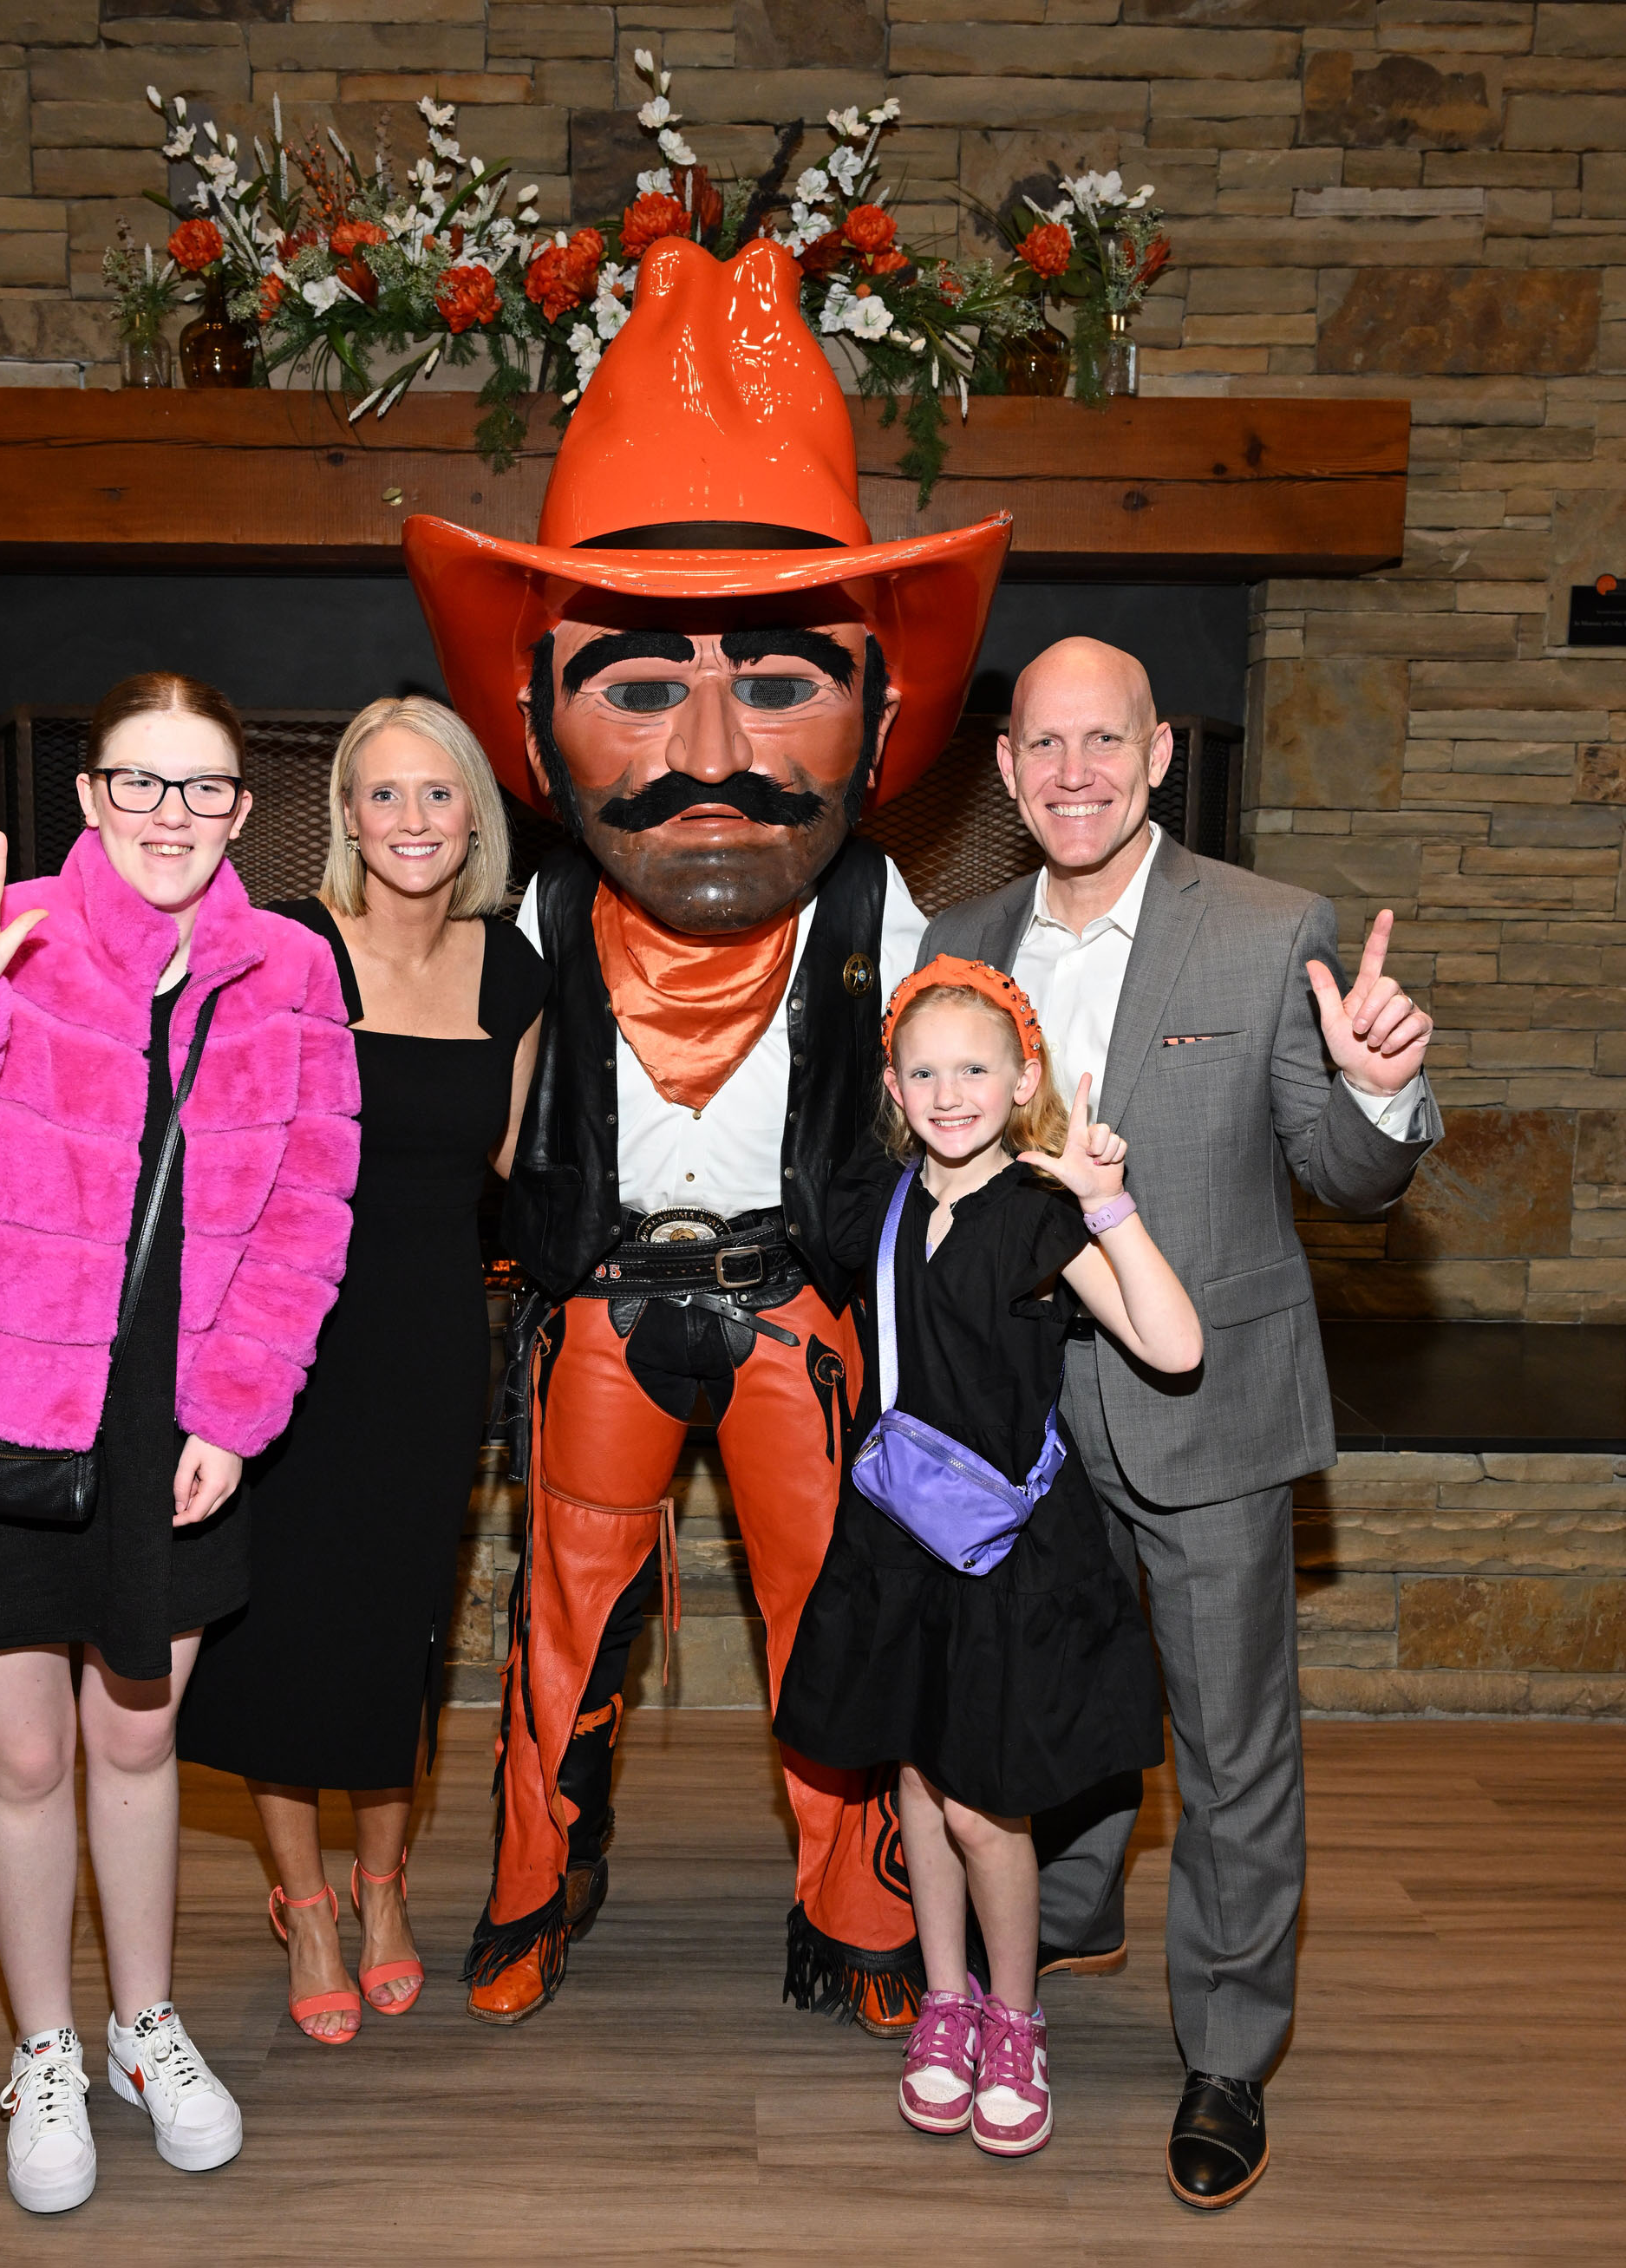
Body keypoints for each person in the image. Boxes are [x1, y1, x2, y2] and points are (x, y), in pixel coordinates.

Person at [400, 232, 1010, 2028]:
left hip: (796, 1325)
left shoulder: (895, 926)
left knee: (838, 1613)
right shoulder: (512, 930)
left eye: (780, 678)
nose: (715, 742)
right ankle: (530, 1893)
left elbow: (996, 1112)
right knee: (559, 1623)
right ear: (537, 716)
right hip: (594, 1311)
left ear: (883, 709)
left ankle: (864, 1912)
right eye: (645, 686)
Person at [0, 674, 358, 2213]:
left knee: (137, 1738)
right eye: (141, 782)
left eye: (204, 788)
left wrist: (238, 1412)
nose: (171, 814)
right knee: (29, 1752)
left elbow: (306, 1217)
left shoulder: (292, 974)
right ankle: (43, 2046)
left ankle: (144, 2025)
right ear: (92, 796)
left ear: (247, 811)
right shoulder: (10, 932)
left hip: (172, 1426)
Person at [920, 636, 1440, 2207]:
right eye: (1043, 746)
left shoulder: (1272, 931)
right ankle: (1064, 1911)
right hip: (1022, 1411)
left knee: (1229, 1749)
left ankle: (1226, 2049)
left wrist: (1374, 1095)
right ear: (1006, 772)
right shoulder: (964, 934)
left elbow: (1349, 1184)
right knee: (1048, 1695)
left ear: (1158, 757)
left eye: (1107, 742)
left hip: (1202, 1403)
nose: (1074, 772)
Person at [776, 958, 1199, 2157]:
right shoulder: (881, 1206)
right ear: (895, 1092)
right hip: (899, 1535)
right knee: (918, 1772)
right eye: (924, 1072)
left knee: (984, 1800)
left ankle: (1017, 2017)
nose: (949, 1091)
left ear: (1024, 1081)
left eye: (974, 1069)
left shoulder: (1039, 1210)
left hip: (1009, 1545)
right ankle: (944, 1998)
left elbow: (1173, 1346)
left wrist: (1109, 1202)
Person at [175, 696, 546, 2043]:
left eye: (436, 795)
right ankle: (307, 1907)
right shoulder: (283, 953)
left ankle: (382, 1886)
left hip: (430, 1339)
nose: (409, 821)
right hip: (282, 1337)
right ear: (341, 811)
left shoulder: (513, 971)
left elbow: (516, 1164)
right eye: (382, 795)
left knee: (396, 1626)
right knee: (277, 1632)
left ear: (473, 819)